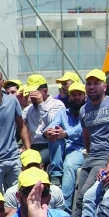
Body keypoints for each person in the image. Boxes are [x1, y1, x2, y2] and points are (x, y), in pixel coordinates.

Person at [73, 69, 109, 216]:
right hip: (90, 157)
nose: (92, 87)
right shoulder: (83, 109)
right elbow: (86, 135)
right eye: (89, 84)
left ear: (105, 86)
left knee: (85, 195)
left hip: (106, 156)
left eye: (96, 83)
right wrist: (89, 153)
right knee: (79, 197)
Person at [46, 81, 86, 209]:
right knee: (54, 137)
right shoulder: (63, 113)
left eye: (80, 94)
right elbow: (53, 124)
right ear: (69, 97)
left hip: (80, 148)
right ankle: (56, 177)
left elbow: (82, 129)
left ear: (85, 96)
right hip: (63, 147)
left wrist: (66, 133)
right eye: (73, 95)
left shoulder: (88, 111)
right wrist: (50, 131)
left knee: (69, 166)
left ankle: (65, 208)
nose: (76, 98)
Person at [23, 74, 66, 181]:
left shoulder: (57, 104)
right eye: (30, 92)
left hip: (49, 145)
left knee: (33, 162)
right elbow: (19, 123)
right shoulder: (29, 109)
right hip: (33, 146)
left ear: (45, 91)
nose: (32, 95)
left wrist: (42, 103)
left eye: (35, 92)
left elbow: (53, 123)